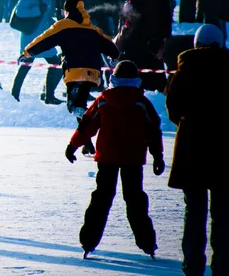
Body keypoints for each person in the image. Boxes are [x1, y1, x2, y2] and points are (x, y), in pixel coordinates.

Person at [65, 60, 164, 259]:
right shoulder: (141, 102)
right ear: (137, 80)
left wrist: (73, 145)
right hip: (133, 158)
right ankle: (147, 243)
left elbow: (86, 124)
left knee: (100, 199)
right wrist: (157, 155)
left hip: (107, 157)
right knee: (135, 200)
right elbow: (153, 130)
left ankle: (88, 241)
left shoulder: (103, 100)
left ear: (114, 79)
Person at [165, 24, 229, 276]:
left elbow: (173, 110)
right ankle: (223, 265)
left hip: (191, 151)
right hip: (225, 151)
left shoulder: (183, 71)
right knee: (223, 213)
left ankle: (192, 265)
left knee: (194, 211)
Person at [22, 0, 119, 156]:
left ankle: (99, 120)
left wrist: (27, 52)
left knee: (75, 107)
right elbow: (112, 48)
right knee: (79, 106)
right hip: (93, 74)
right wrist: (115, 57)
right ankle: (87, 143)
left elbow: (44, 39)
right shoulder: (93, 29)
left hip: (75, 73)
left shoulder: (64, 25)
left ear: (67, 10)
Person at [10, 0, 63, 104]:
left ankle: (49, 96)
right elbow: (20, 12)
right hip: (31, 37)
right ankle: (14, 96)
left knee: (55, 64)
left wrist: (58, 25)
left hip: (43, 37)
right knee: (26, 66)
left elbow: (45, 16)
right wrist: (37, 9)